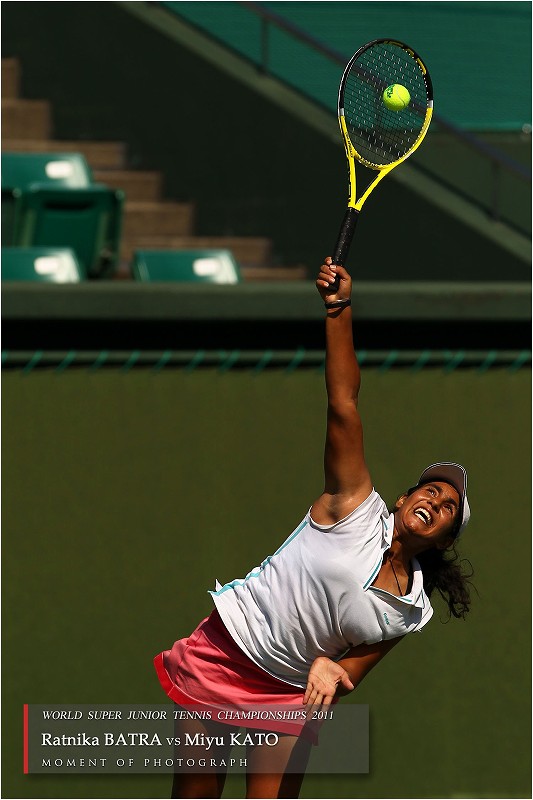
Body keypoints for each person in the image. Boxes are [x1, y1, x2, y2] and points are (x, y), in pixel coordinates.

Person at [154, 257, 473, 799]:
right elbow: (343, 402)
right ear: (403, 499)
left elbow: (352, 670)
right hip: (226, 651)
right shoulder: (352, 502)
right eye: (429, 489)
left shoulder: (410, 607)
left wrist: (332, 671)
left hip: (287, 692)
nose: (434, 500)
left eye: (447, 507)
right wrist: (339, 309)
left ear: (444, 539)